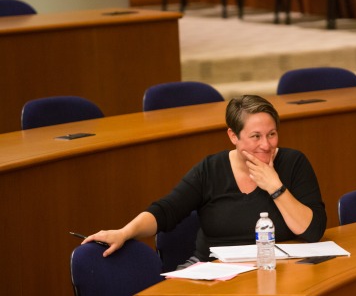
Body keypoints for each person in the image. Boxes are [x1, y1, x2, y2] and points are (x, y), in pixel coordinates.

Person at [83, 95, 327, 265]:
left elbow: (312, 231)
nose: (266, 145)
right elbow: (166, 210)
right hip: (215, 270)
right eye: (255, 136)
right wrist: (125, 232)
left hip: (277, 268)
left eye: (272, 134)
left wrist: (275, 186)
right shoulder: (210, 170)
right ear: (233, 135)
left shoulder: (294, 163)